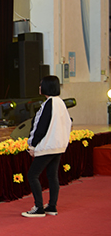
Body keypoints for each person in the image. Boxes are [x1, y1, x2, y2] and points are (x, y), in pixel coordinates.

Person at [21, 75, 72, 217]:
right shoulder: (60, 102)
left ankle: (38, 208)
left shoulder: (49, 103)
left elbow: (40, 127)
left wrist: (32, 145)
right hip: (58, 146)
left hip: (47, 146)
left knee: (32, 175)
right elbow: (68, 123)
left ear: (46, 86)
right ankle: (52, 206)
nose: (39, 87)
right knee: (52, 175)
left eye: (41, 84)